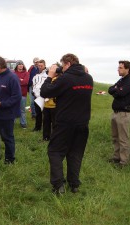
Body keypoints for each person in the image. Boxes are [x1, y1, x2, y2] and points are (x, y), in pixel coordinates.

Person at [40, 53, 93, 194]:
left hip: (65, 123)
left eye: (63, 65)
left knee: (55, 152)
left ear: (68, 64)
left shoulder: (65, 78)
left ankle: (58, 186)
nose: (61, 68)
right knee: (75, 153)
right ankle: (74, 184)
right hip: (82, 123)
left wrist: (50, 75)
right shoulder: (88, 78)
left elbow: (45, 92)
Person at [0, 56, 22, 164]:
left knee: (7, 137)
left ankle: (9, 159)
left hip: (7, 114)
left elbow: (17, 96)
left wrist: (2, 104)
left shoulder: (12, 77)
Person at [108, 60, 130, 167]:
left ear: (127, 69)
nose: (118, 69)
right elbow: (110, 90)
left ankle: (123, 161)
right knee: (115, 137)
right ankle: (116, 157)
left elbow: (120, 93)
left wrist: (116, 90)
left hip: (123, 114)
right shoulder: (121, 81)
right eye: (118, 67)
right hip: (115, 113)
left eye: (120, 68)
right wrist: (116, 89)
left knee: (123, 138)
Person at [32, 59, 48, 132]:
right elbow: (34, 85)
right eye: (39, 66)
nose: (40, 67)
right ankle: (37, 127)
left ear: (44, 65)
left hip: (45, 96)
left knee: (46, 114)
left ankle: (46, 128)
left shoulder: (48, 74)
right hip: (36, 96)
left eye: (41, 65)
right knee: (38, 113)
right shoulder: (36, 75)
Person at [14, 60, 29, 129]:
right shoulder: (13, 73)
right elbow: (12, 83)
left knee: (22, 110)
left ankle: (23, 123)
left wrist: (18, 81)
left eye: (21, 64)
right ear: (16, 66)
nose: (20, 65)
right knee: (13, 108)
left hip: (23, 94)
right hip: (14, 94)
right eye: (19, 64)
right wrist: (21, 80)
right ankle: (12, 122)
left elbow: (25, 82)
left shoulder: (26, 73)